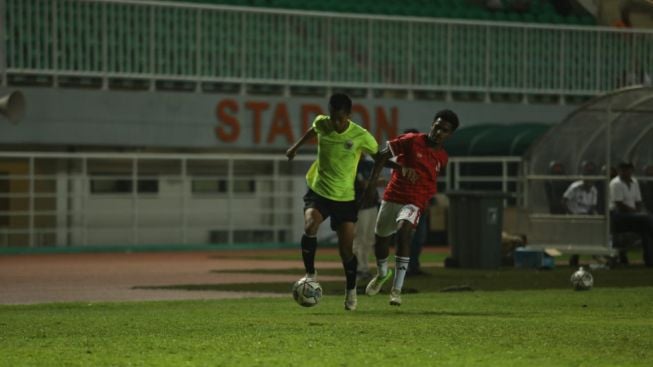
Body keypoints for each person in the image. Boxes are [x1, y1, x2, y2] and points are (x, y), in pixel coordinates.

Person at [285, 93, 379, 311]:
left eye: (340, 119)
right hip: (319, 190)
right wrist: (295, 147)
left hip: (345, 198)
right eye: (332, 117)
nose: (335, 123)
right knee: (310, 225)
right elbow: (313, 130)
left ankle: (351, 291)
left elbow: (379, 154)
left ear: (349, 115)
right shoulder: (322, 123)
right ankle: (310, 273)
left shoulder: (360, 135)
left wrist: (394, 169)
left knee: (346, 251)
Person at [363, 109, 460, 306]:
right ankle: (382, 274)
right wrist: (373, 183)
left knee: (404, 231)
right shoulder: (411, 140)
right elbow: (381, 155)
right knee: (380, 241)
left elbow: (431, 181)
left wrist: (425, 199)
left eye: (445, 130)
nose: (439, 132)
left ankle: (396, 290)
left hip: (414, 202)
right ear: (432, 124)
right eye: (437, 126)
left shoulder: (442, 158)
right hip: (392, 197)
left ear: (450, 134)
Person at [609, 161, 653, 266]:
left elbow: (638, 201)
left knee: (646, 231)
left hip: (633, 217)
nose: (625, 172)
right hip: (617, 216)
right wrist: (637, 213)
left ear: (632, 170)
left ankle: (650, 260)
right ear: (619, 171)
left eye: (628, 169)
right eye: (623, 170)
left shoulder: (634, 182)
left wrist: (638, 212)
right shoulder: (616, 183)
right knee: (647, 220)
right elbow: (619, 204)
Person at [562, 172, 598, 266]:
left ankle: (596, 255)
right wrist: (570, 214)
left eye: (591, 181)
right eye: (588, 180)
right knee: (579, 236)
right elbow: (564, 201)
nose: (590, 183)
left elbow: (593, 206)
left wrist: (592, 215)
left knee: (593, 232)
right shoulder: (575, 187)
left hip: (586, 216)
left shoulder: (594, 189)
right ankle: (575, 256)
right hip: (575, 215)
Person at [353, 156, 380, 282]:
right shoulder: (351, 163)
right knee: (360, 238)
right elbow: (363, 183)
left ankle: (365, 268)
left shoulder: (369, 163)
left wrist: (375, 182)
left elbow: (371, 181)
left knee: (370, 239)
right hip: (359, 205)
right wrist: (376, 182)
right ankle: (359, 269)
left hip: (372, 203)